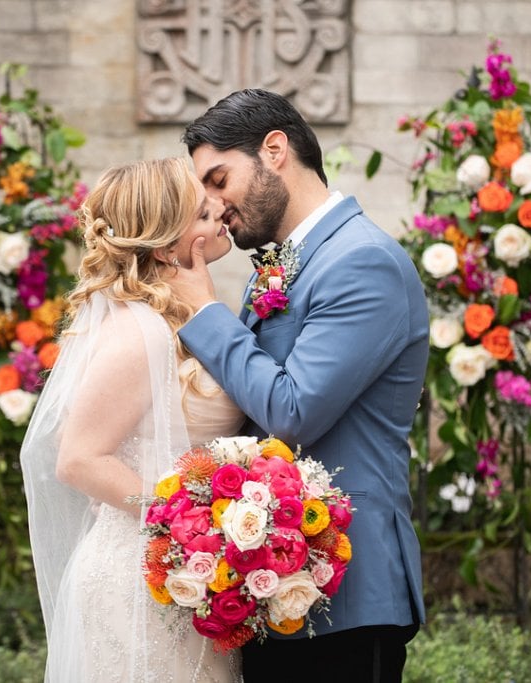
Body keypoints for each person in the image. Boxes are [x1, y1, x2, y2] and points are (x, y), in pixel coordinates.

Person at [168, 89, 430, 682]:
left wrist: (205, 313)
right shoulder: (284, 264)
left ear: (275, 150)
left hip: (348, 590)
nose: (212, 204)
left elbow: (290, 409)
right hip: (276, 579)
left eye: (218, 178)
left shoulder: (363, 261)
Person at [19, 157, 244, 682]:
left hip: (181, 573)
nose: (220, 216)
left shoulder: (179, 317)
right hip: (138, 579)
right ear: (167, 245)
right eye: (203, 212)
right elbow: (78, 460)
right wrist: (190, 525)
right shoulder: (137, 332)